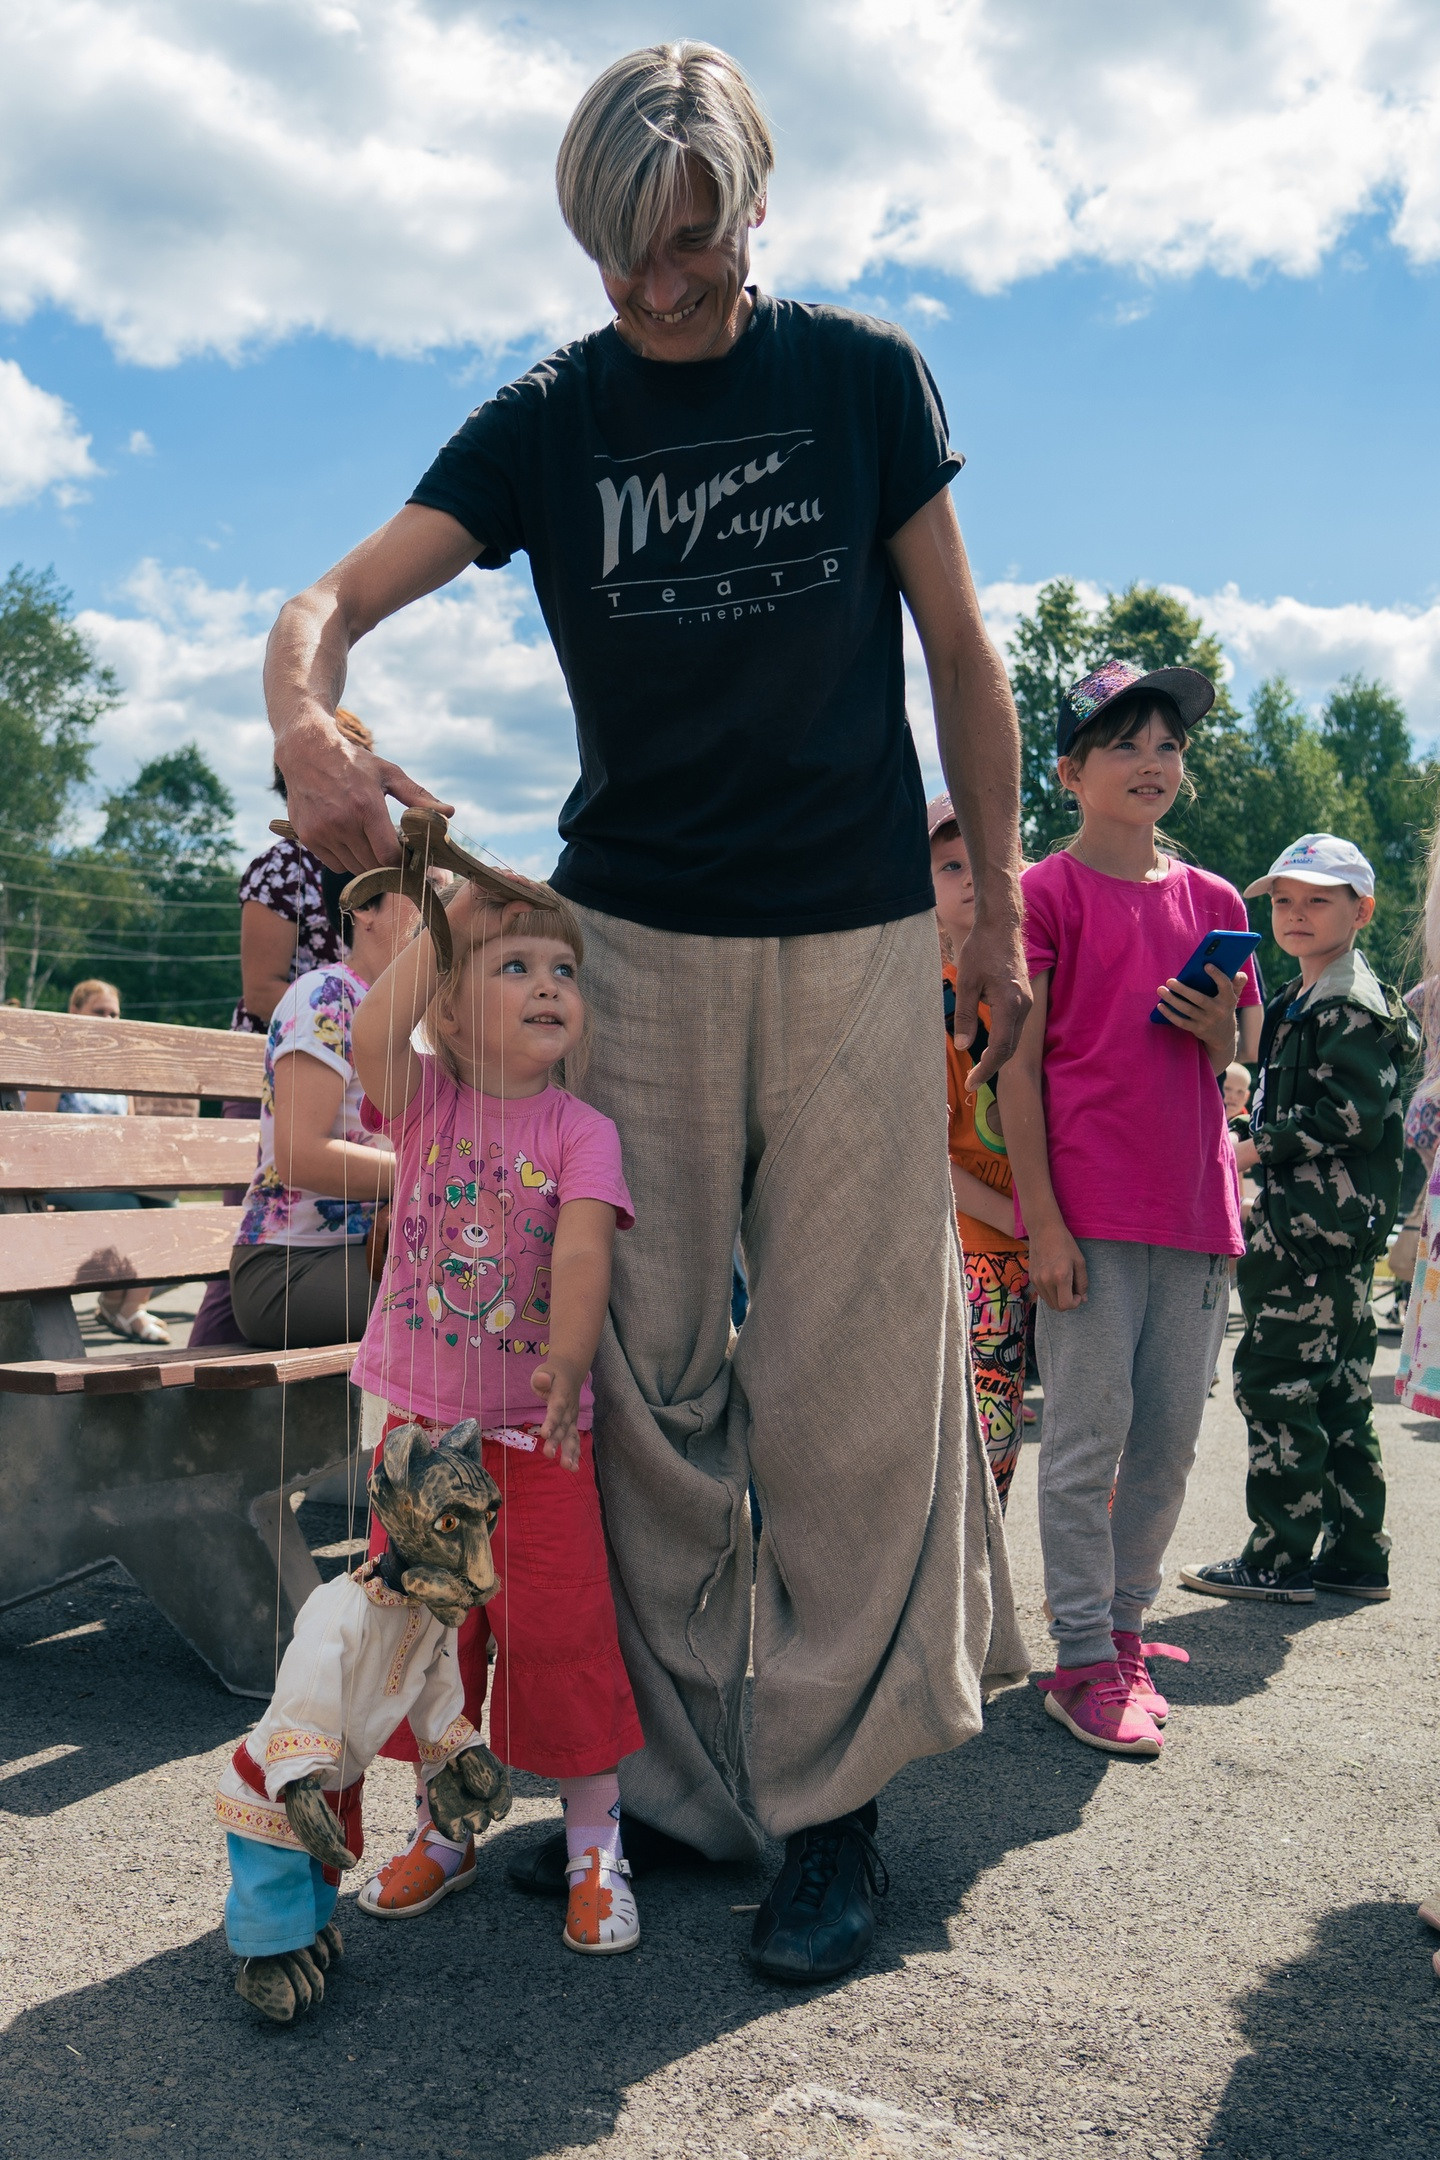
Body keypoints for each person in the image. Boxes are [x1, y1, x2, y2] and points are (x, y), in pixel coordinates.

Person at [261, 39, 1028, 1984]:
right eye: (623, 261)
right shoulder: (552, 421)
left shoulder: (860, 381)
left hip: (855, 935)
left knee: (852, 1383)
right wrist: (306, 723)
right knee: (638, 1375)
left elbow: (956, 646)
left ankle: (835, 1813)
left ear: (752, 208)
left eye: (691, 248)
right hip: (642, 947)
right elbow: (327, 606)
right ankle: (682, 1801)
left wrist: (996, 924)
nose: (662, 289)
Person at [346, 875, 645, 1954]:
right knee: (431, 1646)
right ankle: (448, 1825)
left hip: (537, 1438)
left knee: (562, 1640)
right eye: (514, 967)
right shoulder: (426, 1101)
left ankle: (596, 1847)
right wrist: (446, 925)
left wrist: (568, 1361)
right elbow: (377, 1026)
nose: (549, 987)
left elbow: (581, 1247)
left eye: (564, 971)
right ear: (453, 1009)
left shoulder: (581, 1128)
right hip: (423, 1439)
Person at [1000, 660, 1261, 1758]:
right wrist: (1043, 1222)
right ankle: (1078, 1659)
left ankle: (1124, 1632)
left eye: (1170, 745)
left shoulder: (1218, 902)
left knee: (1165, 1449)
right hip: (1090, 1216)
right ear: (1071, 772)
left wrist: (1217, 1035)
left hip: (1199, 1215)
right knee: (1085, 1440)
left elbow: (1239, 1052)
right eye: (1128, 743)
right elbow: (1017, 1072)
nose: (1156, 760)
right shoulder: (1041, 894)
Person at [1183, 835, 1416, 1605]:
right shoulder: (1301, 998)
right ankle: (1354, 1557)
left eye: (1319, 899)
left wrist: (1252, 1151)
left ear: (1362, 910)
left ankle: (1278, 1559)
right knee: (1339, 1393)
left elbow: (1349, 1114)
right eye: (1283, 900)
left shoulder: (1350, 1004)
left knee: (1278, 1382)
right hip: (1319, 1232)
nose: (1296, 914)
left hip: (1313, 1233)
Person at [228, 873, 411, 1349]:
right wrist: (434, 1178)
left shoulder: (421, 1016)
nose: (447, 910)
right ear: (365, 908)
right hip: (288, 1270)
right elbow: (299, 1157)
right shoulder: (327, 997)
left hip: (372, 1254)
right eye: (429, 887)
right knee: (467, 1294)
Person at [929, 792, 1029, 1510]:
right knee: (980, 1434)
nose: (972, 878)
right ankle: (970, 1585)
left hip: (1055, 1232)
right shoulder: (918, 998)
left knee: (1085, 1425)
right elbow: (925, 1152)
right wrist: (1020, 1219)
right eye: (950, 865)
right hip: (975, 1245)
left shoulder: (1037, 988)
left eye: (989, 861)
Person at [27, 977, 171, 1344]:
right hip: (66, 1172)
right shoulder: (57, 1062)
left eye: (114, 1014)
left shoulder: (119, 1069)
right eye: (99, 1012)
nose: (108, 1020)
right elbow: (34, 1132)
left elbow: (131, 1130)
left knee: (166, 1205)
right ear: (73, 1012)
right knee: (127, 1209)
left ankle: (121, 1305)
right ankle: (125, 1310)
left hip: (113, 1172)